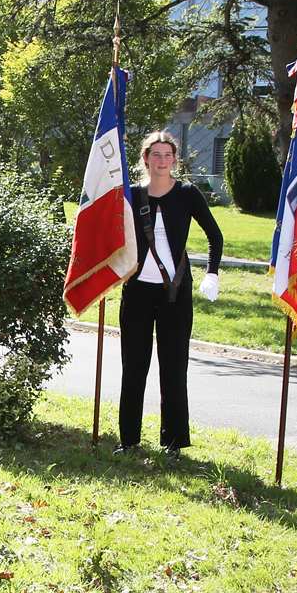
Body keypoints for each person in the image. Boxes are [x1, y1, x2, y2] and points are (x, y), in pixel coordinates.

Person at [117, 130, 224, 456]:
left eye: (168, 155)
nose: (162, 161)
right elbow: (111, 233)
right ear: (146, 159)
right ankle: (129, 440)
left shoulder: (188, 193)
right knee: (134, 367)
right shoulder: (132, 194)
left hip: (175, 294)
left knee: (174, 367)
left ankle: (175, 442)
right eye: (156, 155)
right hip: (136, 291)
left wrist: (212, 273)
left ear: (175, 159)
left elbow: (215, 236)